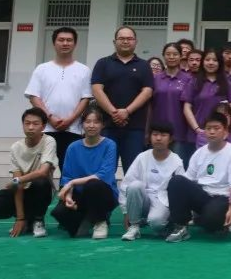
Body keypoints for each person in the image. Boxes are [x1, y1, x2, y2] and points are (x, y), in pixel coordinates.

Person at [0, 107, 57, 238]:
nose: (30, 127)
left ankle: (38, 220)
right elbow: (18, 185)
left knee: (40, 182)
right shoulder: (16, 147)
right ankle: (26, 218)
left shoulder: (49, 141)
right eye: (27, 123)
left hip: (41, 191)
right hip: (21, 190)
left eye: (35, 124)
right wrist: (20, 218)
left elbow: (43, 172)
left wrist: (17, 180)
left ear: (43, 126)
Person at [165, 112, 231, 242]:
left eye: (216, 128)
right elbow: (188, 179)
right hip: (204, 196)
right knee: (177, 181)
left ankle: (217, 221)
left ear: (225, 132)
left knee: (211, 221)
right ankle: (181, 227)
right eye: (208, 128)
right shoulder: (199, 153)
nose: (212, 132)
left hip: (223, 198)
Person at [24, 26, 92, 170]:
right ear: (54, 43)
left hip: (73, 129)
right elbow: (34, 96)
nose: (65, 43)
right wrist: (50, 117)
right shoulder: (42, 69)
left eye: (69, 40)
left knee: (70, 171)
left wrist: (70, 119)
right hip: (45, 129)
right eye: (61, 40)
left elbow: (85, 99)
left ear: (75, 44)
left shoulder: (84, 70)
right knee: (41, 173)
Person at [90, 26, 153, 173]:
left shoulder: (144, 65)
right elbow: (97, 90)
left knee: (133, 172)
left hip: (135, 128)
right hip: (107, 126)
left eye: (129, 38)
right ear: (114, 42)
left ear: (136, 42)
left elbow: (147, 91)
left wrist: (127, 111)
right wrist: (114, 113)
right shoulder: (103, 63)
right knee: (104, 171)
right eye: (122, 38)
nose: (125, 41)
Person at [51, 107, 118, 239]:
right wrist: (68, 197)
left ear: (102, 125)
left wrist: (73, 182)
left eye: (96, 122)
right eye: (88, 122)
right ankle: (87, 218)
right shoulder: (73, 147)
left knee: (93, 185)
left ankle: (101, 221)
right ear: (82, 124)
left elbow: (103, 175)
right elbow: (67, 176)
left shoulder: (110, 145)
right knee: (59, 212)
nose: (91, 125)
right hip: (80, 195)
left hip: (103, 193)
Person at [119, 123, 184, 241]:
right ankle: (134, 227)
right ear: (150, 137)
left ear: (170, 139)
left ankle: (164, 224)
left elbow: (181, 191)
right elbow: (126, 184)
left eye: (163, 135)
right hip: (143, 198)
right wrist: (125, 212)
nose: (158, 138)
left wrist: (177, 217)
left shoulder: (176, 161)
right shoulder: (142, 157)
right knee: (134, 186)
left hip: (163, 201)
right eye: (155, 134)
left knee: (156, 223)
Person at [183, 48, 231, 148]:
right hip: (197, 133)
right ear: (203, 62)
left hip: (220, 135)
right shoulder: (194, 82)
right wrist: (197, 129)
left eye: (215, 60)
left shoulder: (228, 84)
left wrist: (223, 128)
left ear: (220, 63)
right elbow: (187, 107)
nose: (211, 63)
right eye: (207, 60)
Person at [151, 42, 194, 167]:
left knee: (178, 167)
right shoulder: (156, 79)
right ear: (163, 56)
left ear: (181, 56)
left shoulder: (188, 79)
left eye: (175, 54)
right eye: (168, 54)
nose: (171, 57)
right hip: (158, 130)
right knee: (158, 167)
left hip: (180, 131)